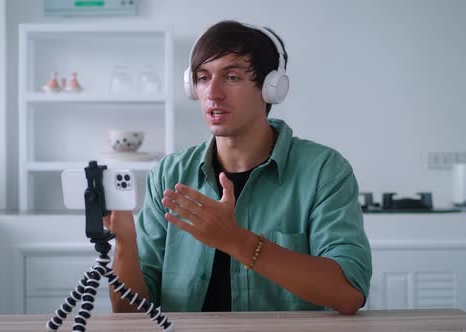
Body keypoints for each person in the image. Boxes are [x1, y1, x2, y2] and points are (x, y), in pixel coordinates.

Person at [104, 20, 372, 315]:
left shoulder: (324, 170)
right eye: (203, 78)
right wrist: (125, 244)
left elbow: (349, 293)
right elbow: (131, 313)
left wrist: (235, 240)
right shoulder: (169, 174)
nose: (213, 93)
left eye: (231, 77)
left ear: (272, 88)